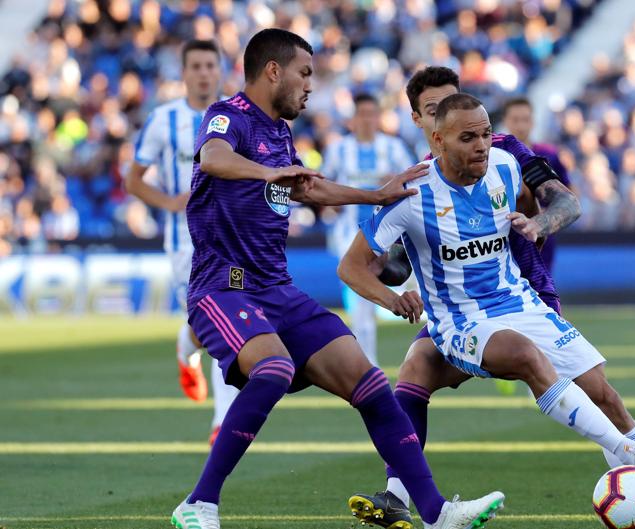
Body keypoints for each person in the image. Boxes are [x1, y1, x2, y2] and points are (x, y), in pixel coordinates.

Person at [172, 29, 503, 529]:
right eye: (305, 74)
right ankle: (199, 504)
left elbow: (310, 188)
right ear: (273, 71)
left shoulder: (280, 133)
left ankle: (437, 513)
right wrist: (266, 174)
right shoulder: (229, 116)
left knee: (371, 383)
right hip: (225, 285)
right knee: (274, 369)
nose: (311, 86)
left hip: (276, 288)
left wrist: (377, 196)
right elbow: (213, 158)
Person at [340, 92, 635, 529]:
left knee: (602, 393)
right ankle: (630, 453)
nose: (481, 145)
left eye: (487, 134)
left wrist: (536, 225)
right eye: (468, 137)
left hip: (521, 303)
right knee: (514, 356)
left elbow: (551, 206)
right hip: (460, 322)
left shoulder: (507, 168)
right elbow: (352, 266)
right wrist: (392, 297)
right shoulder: (411, 194)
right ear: (437, 140)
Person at [125, 39, 238, 445]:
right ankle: (185, 348)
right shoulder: (164, 120)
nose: (204, 72)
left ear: (220, 69)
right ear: (184, 72)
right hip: (184, 244)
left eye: (211, 64)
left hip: (231, 242)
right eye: (197, 66)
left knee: (228, 325)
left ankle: (222, 423)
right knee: (206, 323)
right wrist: (169, 201)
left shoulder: (239, 115)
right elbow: (133, 180)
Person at [322, 93, 415, 365]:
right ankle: (368, 365)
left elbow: (415, 182)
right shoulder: (338, 150)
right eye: (361, 114)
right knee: (361, 301)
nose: (366, 120)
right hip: (349, 236)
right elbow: (323, 190)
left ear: (378, 117)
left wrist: (397, 181)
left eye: (371, 114)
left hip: (391, 239)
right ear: (353, 119)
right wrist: (334, 204)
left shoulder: (394, 148)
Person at [502, 97, 573, 274]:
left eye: (525, 119)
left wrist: (544, 215)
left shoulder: (548, 155)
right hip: (504, 232)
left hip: (541, 233)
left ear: (533, 122)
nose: (520, 125)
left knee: (541, 285)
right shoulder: (495, 157)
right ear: (506, 121)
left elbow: (568, 194)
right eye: (515, 119)